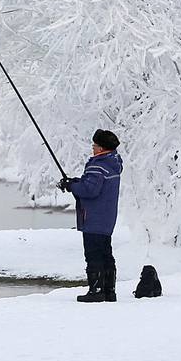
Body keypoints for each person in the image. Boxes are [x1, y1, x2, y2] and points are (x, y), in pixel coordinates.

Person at [59, 129, 123, 303]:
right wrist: (75, 182)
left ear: (101, 148)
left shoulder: (98, 165)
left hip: (93, 218)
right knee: (105, 254)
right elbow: (91, 185)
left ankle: (96, 291)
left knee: (93, 255)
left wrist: (71, 186)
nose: (93, 148)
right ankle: (109, 291)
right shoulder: (112, 164)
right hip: (107, 218)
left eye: (94, 145)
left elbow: (90, 190)